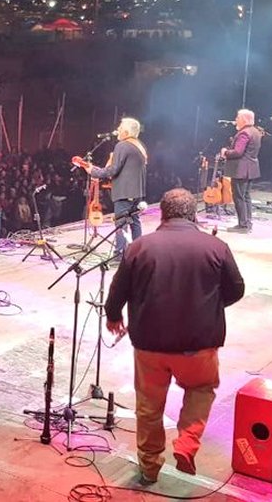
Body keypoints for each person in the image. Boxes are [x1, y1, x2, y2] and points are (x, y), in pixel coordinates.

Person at [104, 189, 245, 483]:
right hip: (199, 344)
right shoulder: (216, 247)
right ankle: (187, 443)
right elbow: (235, 290)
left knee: (149, 407)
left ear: (163, 214)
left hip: (150, 346)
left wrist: (114, 316)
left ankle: (150, 466)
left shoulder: (139, 247)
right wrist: (209, 306)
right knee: (202, 388)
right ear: (194, 214)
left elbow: (118, 291)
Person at [73, 117, 148, 256]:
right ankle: (139, 253)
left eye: (120, 127)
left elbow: (114, 170)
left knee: (121, 223)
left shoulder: (123, 145)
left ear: (125, 132)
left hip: (125, 192)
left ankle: (119, 254)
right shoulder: (139, 145)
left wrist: (94, 171)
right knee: (135, 222)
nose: (117, 130)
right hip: (137, 192)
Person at [221, 109, 263, 233]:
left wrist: (225, 152)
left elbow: (238, 152)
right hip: (251, 169)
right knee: (246, 196)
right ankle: (247, 223)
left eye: (238, 117)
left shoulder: (244, 133)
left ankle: (243, 225)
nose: (236, 119)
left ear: (244, 119)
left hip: (241, 170)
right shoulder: (255, 131)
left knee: (239, 197)